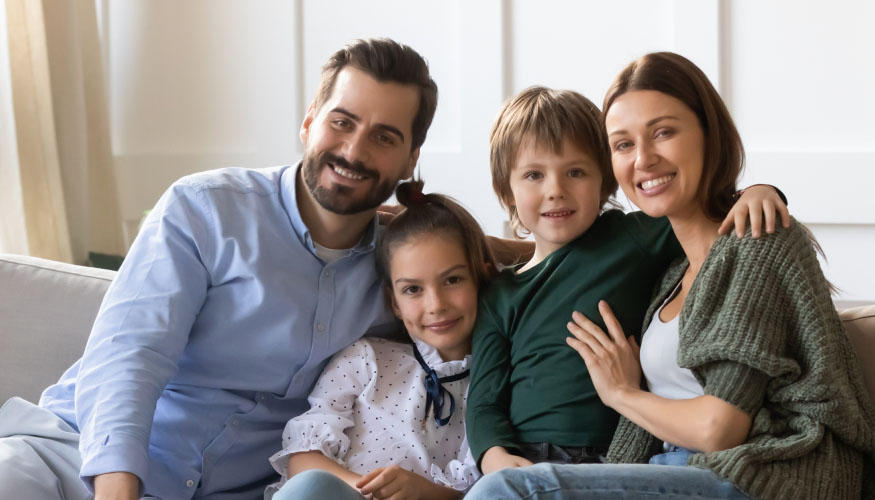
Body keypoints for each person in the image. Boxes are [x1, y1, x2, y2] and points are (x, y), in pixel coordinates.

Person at [0, 38, 439, 500]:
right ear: (309, 121)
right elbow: (130, 356)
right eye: (341, 122)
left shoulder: (403, 272)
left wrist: (487, 239)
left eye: (384, 137)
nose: (353, 150)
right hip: (74, 460)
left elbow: (500, 276)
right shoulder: (204, 209)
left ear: (411, 159)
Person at [464, 52, 875, 500]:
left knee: (506, 493)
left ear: (708, 133)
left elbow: (721, 429)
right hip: (673, 470)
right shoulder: (670, 276)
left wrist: (620, 393)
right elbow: (561, 257)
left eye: (663, 132)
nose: (643, 159)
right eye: (623, 144)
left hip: (758, 475)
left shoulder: (753, 243)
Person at [465, 86, 790, 475]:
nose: (556, 190)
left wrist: (760, 191)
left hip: (615, 456)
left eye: (576, 172)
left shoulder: (631, 237)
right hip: (525, 457)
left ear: (605, 183)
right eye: (534, 175)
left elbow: (714, 213)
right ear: (507, 191)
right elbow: (483, 401)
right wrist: (493, 456)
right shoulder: (500, 295)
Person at [267, 180, 494, 500]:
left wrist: (426, 493)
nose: (436, 305)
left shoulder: (497, 382)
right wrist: (369, 492)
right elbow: (303, 460)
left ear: (481, 277)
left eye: (452, 279)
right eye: (413, 289)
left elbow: (495, 489)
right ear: (394, 303)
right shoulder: (365, 359)